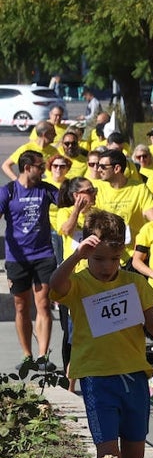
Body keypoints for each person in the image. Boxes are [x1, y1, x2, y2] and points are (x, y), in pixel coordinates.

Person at [49, 210, 153, 458]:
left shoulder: (134, 283)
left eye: (114, 259)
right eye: (99, 259)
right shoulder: (78, 284)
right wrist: (76, 257)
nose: (107, 267)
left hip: (134, 377)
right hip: (96, 379)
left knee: (134, 454)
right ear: (88, 254)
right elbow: (54, 286)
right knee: (108, 453)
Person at [0, 150, 61, 371]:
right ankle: (27, 355)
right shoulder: (8, 192)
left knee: (43, 304)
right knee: (20, 306)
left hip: (43, 256)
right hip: (17, 259)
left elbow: (65, 199)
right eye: (40, 167)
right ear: (27, 168)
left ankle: (43, 355)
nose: (43, 171)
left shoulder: (45, 190)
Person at [93, 149, 153, 255]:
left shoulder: (139, 188)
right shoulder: (97, 189)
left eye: (103, 166)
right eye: (98, 165)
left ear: (117, 168)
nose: (98, 169)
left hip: (134, 255)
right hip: (106, 254)